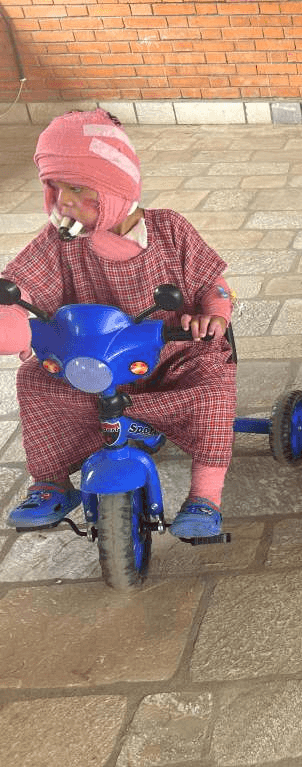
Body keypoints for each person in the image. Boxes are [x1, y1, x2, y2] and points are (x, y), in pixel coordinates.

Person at [0, 109, 236, 539]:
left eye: (78, 188)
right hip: (88, 362)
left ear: (116, 189)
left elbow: (212, 284)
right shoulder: (57, 242)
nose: (63, 201)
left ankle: (205, 494)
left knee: (214, 391)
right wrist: (13, 314)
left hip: (169, 356)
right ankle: (51, 481)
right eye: (54, 187)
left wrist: (212, 314)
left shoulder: (170, 230)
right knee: (34, 380)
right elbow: (21, 282)